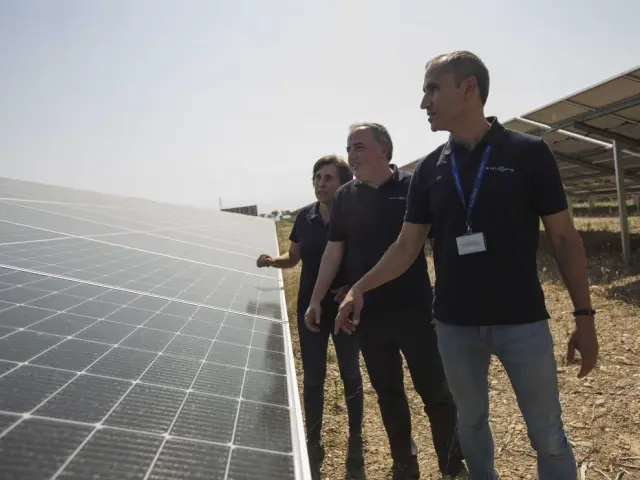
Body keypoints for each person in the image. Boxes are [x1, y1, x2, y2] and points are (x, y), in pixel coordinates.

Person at [335, 50, 600, 480]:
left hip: (522, 322)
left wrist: (584, 317)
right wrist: (359, 287)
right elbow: (406, 246)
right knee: (471, 426)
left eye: (433, 89)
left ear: (469, 88)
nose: (424, 102)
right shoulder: (428, 170)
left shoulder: (528, 153)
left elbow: (565, 238)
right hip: (454, 327)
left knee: (547, 433)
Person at [305, 123, 466, 480]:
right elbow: (334, 252)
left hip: (416, 310)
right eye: (349, 148)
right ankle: (404, 462)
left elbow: (440, 243)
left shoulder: (413, 186)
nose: (351, 155)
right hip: (369, 315)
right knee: (388, 393)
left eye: (359, 146)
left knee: (435, 391)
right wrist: (316, 299)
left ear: (384, 149)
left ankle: (453, 463)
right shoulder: (345, 197)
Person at [256, 154, 365, 480]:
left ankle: (356, 439)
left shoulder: (355, 215)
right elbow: (293, 258)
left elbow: (366, 257)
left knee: (350, 372)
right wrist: (272, 261)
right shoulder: (305, 217)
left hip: (345, 308)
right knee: (314, 376)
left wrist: (351, 287)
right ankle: (313, 440)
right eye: (317, 178)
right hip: (311, 308)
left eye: (328, 178)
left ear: (344, 182)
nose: (320, 183)